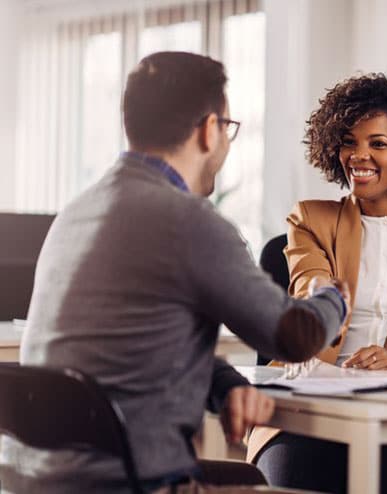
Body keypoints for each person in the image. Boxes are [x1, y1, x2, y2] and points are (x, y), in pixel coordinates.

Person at [0, 51, 348, 494]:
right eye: (228, 128)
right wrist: (333, 295)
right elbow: (295, 337)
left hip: (36, 480)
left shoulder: (78, 212)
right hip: (130, 483)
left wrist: (225, 387)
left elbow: (135, 352)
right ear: (209, 130)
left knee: (249, 478)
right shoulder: (189, 221)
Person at [247, 73, 387, 494]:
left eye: (377, 143)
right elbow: (310, 290)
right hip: (308, 408)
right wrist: (322, 296)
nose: (358, 155)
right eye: (349, 141)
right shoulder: (311, 219)